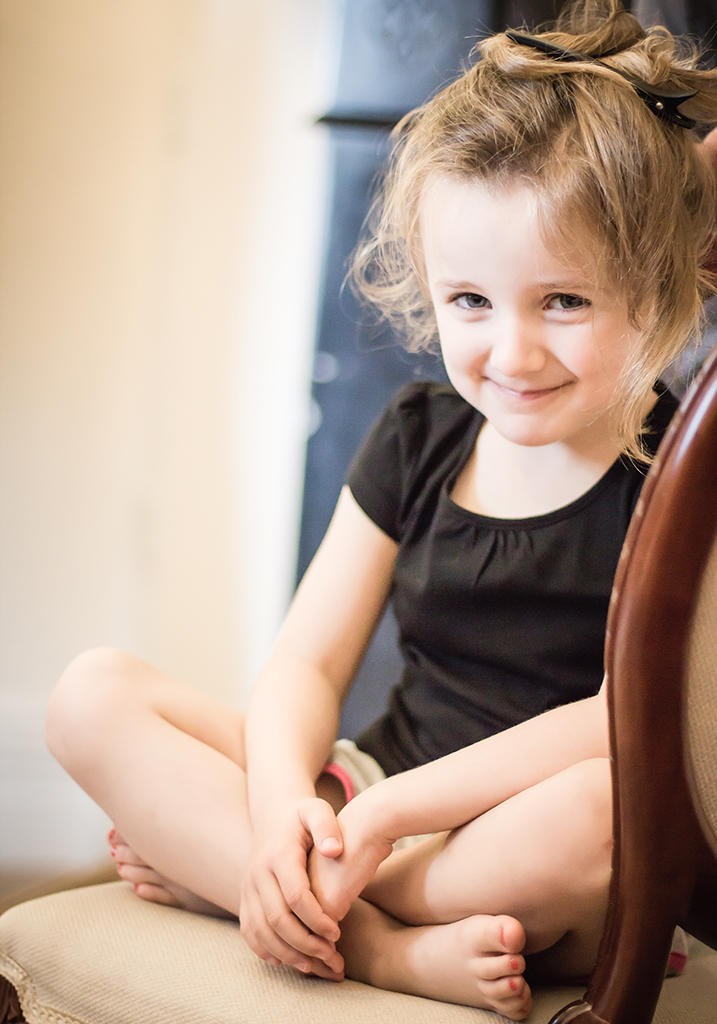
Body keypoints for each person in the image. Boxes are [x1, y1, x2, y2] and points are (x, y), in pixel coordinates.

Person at [45, 2, 717, 1020]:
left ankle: (249, 885)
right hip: (367, 791)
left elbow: (620, 724)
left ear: (662, 284)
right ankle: (365, 935)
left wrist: (388, 820)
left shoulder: (677, 479)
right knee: (91, 695)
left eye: (564, 301)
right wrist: (281, 810)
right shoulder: (419, 434)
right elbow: (309, 663)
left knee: (604, 811)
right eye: (471, 302)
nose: (512, 352)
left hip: (516, 853)